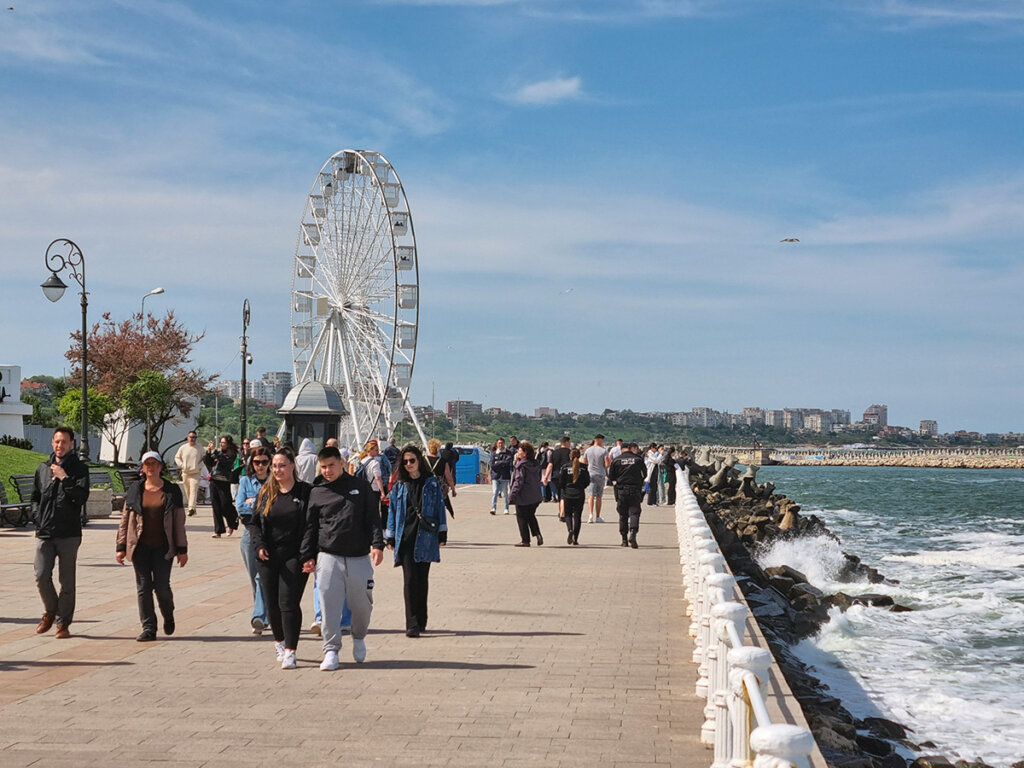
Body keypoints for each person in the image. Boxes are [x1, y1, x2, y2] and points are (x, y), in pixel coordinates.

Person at [301, 446, 384, 671]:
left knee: (362, 605)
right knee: (329, 606)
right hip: (328, 555)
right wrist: (307, 555)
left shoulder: (360, 487)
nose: (328, 471)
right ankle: (330, 650)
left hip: (358, 556)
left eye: (332, 466)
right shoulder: (316, 492)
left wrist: (378, 544)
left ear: (341, 463)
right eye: (324, 467)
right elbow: (310, 527)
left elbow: (373, 518)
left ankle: (358, 636)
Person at [248, 448, 311, 669]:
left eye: (282, 465)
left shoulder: (305, 492)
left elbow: (312, 526)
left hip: (295, 556)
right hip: (268, 556)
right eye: (274, 466)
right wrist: (259, 545)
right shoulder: (266, 492)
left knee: (288, 602)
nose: (277, 470)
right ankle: (279, 641)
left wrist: (308, 554)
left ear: (293, 466)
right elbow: (254, 523)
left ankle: (291, 650)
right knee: (272, 603)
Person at [116, 451, 188, 641]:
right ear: (143, 467)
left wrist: (182, 549)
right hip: (139, 547)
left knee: (162, 587)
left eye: (154, 464)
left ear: (160, 467)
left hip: (163, 547)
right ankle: (149, 627)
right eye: (147, 464)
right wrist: (121, 546)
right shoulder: (135, 490)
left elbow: (179, 522)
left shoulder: (171, 491)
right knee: (143, 587)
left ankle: (168, 613)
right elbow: (125, 520)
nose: (150, 467)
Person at [31, 427, 90, 639]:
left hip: (69, 533)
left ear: (72, 444)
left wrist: (65, 478)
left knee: (67, 581)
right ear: (52, 443)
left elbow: (81, 497)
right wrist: (37, 515)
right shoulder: (43, 468)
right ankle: (51, 610)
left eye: (64, 442)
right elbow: (36, 497)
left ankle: (63, 623)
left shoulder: (80, 469)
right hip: (44, 531)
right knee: (41, 575)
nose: (60, 445)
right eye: (57, 441)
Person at [385, 444, 447, 638]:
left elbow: (439, 507)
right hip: (405, 537)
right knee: (410, 580)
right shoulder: (399, 485)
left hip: (426, 536)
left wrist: (442, 533)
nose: (409, 464)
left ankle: (421, 619)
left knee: (422, 580)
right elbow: (393, 511)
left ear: (419, 460)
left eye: (412, 460)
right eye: (405, 462)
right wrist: (390, 535)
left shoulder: (431, 482)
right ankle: (411, 623)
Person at [235, 445, 272, 635]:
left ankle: (260, 616)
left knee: (263, 577)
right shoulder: (245, 482)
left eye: (264, 462)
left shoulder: (275, 481)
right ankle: (263, 615)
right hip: (250, 534)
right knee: (254, 578)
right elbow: (240, 506)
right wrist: (259, 505)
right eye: (257, 462)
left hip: (271, 535)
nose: (260, 466)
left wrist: (254, 502)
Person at [608, 442, 646, 548]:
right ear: (630, 448)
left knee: (623, 515)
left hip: (621, 490)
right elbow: (645, 474)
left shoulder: (616, 460)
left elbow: (611, 477)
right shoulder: (638, 459)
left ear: (621, 449)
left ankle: (624, 539)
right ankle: (633, 532)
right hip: (635, 489)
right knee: (634, 513)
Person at [508, 441, 544, 547]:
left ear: (525, 453)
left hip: (523, 495)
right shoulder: (535, 464)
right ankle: (537, 533)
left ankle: (525, 540)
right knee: (530, 515)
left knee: (521, 517)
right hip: (535, 495)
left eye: (520, 450)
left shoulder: (522, 465)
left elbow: (518, 481)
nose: (518, 452)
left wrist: (512, 494)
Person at [203, 435, 240, 537]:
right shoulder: (217, 453)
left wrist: (216, 453)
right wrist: (209, 452)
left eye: (223, 442)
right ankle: (218, 530)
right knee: (216, 506)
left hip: (224, 481)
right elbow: (208, 462)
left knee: (225, 504)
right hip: (214, 480)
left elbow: (226, 462)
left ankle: (232, 522)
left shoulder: (231, 453)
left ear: (228, 444)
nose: (221, 444)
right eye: (220, 442)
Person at [558, 448, 590, 545]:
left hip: (568, 493)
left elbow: (561, 481)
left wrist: (565, 488)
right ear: (579, 456)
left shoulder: (564, 467)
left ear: (570, 456)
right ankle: (575, 538)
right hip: (579, 493)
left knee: (567, 514)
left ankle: (570, 530)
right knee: (577, 516)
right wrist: (581, 487)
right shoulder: (584, 467)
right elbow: (587, 481)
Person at [355, 439, 390, 529]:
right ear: (370, 450)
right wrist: (382, 492)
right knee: (374, 511)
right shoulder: (375, 463)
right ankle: (375, 529)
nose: (377, 452)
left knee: (365, 510)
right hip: (373, 489)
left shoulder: (362, 461)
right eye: (376, 450)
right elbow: (378, 478)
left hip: (363, 488)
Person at [174, 430, 204, 517]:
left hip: (195, 473)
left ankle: (191, 508)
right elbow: (177, 457)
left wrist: (199, 466)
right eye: (191, 437)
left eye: (194, 437)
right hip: (186, 473)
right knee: (188, 491)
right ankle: (191, 507)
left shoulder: (199, 448)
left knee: (193, 490)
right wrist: (181, 465)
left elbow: (204, 458)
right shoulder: (183, 447)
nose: (193, 439)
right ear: (188, 438)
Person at [425, 438, 457, 518]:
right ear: (438, 449)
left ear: (429, 448)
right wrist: (453, 489)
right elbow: (449, 477)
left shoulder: (422, 460)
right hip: (438, 489)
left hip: (425, 488)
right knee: (439, 509)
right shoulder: (442, 461)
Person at [583, 434, 610, 524]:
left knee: (590, 495)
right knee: (599, 496)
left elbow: (584, 462)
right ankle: (597, 516)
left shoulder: (588, 450)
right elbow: (607, 464)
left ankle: (590, 514)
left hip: (590, 473)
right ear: (599, 440)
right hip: (600, 474)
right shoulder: (604, 451)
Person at [543, 436, 571, 519]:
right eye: (569, 443)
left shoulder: (554, 452)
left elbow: (550, 465)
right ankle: (563, 513)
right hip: (567, 476)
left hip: (555, 476)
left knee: (559, 495)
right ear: (566, 442)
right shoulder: (569, 452)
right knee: (564, 496)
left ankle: (560, 512)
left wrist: (546, 477)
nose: (570, 444)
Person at [489, 438, 514, 515]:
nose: (500, 444)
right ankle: (493, 508)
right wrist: (502, 463)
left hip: (505, 476)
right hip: (495, 476)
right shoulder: (493, 453)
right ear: (496, 444)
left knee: (505, 493)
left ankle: (506, 508)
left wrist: (498, 463)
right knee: (495, 492)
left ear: (504, 443)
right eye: (499, 443)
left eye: (502, 443)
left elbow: (508, 463)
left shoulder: (508, 453)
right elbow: (492, 465)